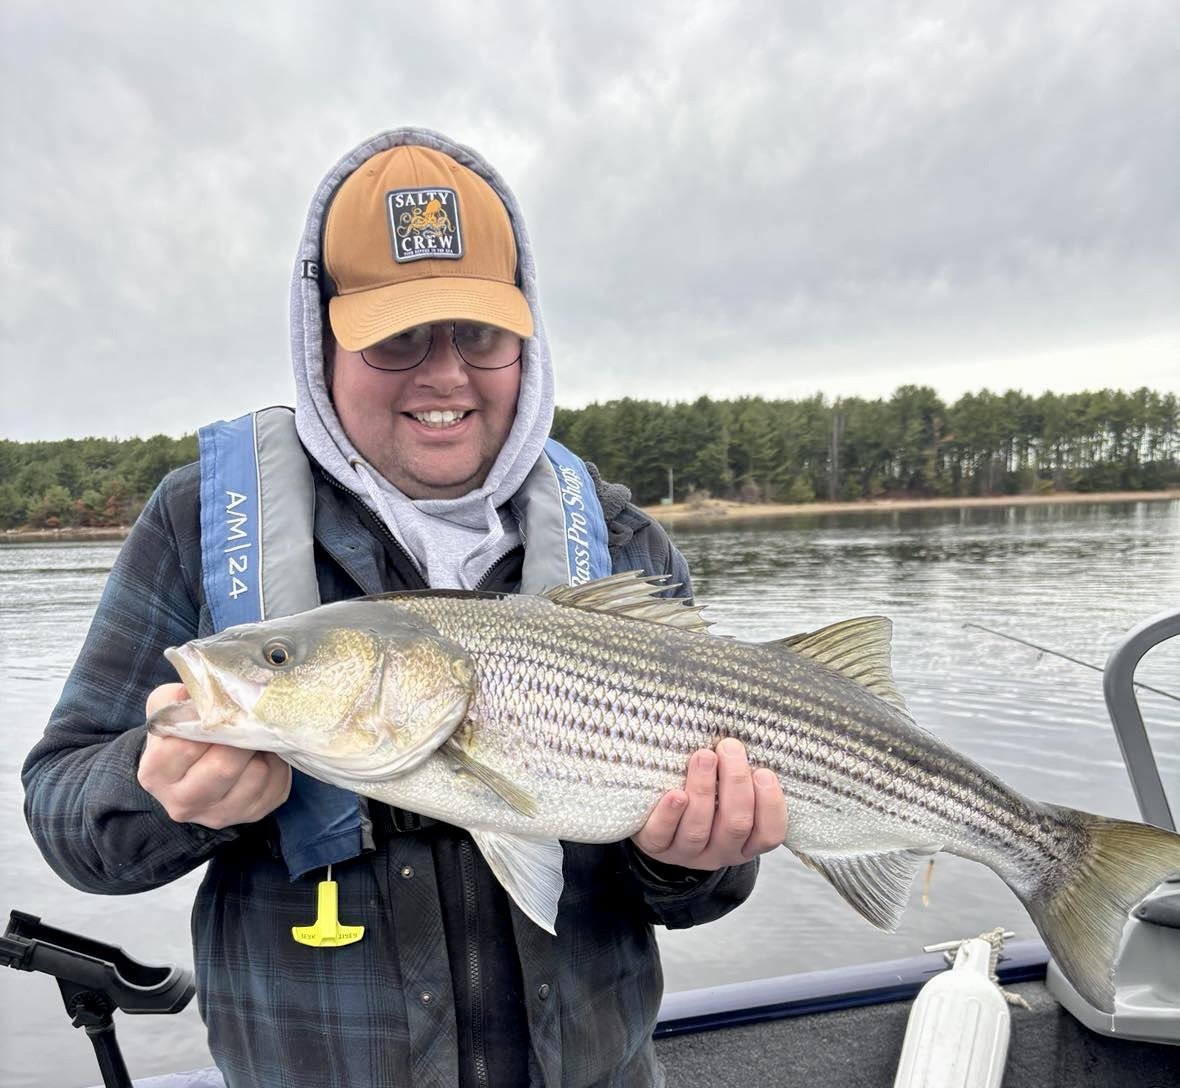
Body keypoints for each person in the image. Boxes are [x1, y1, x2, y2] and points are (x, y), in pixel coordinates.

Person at [23, 128, 787, 1087]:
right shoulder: (198, 523)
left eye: (480, 333)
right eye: (396, 336)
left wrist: (695, 862)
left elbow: (701, 896)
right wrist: (162, 791)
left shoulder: (622, 543)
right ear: (323, 336)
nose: (445, 374)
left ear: (527, 338)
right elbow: (64, 817)